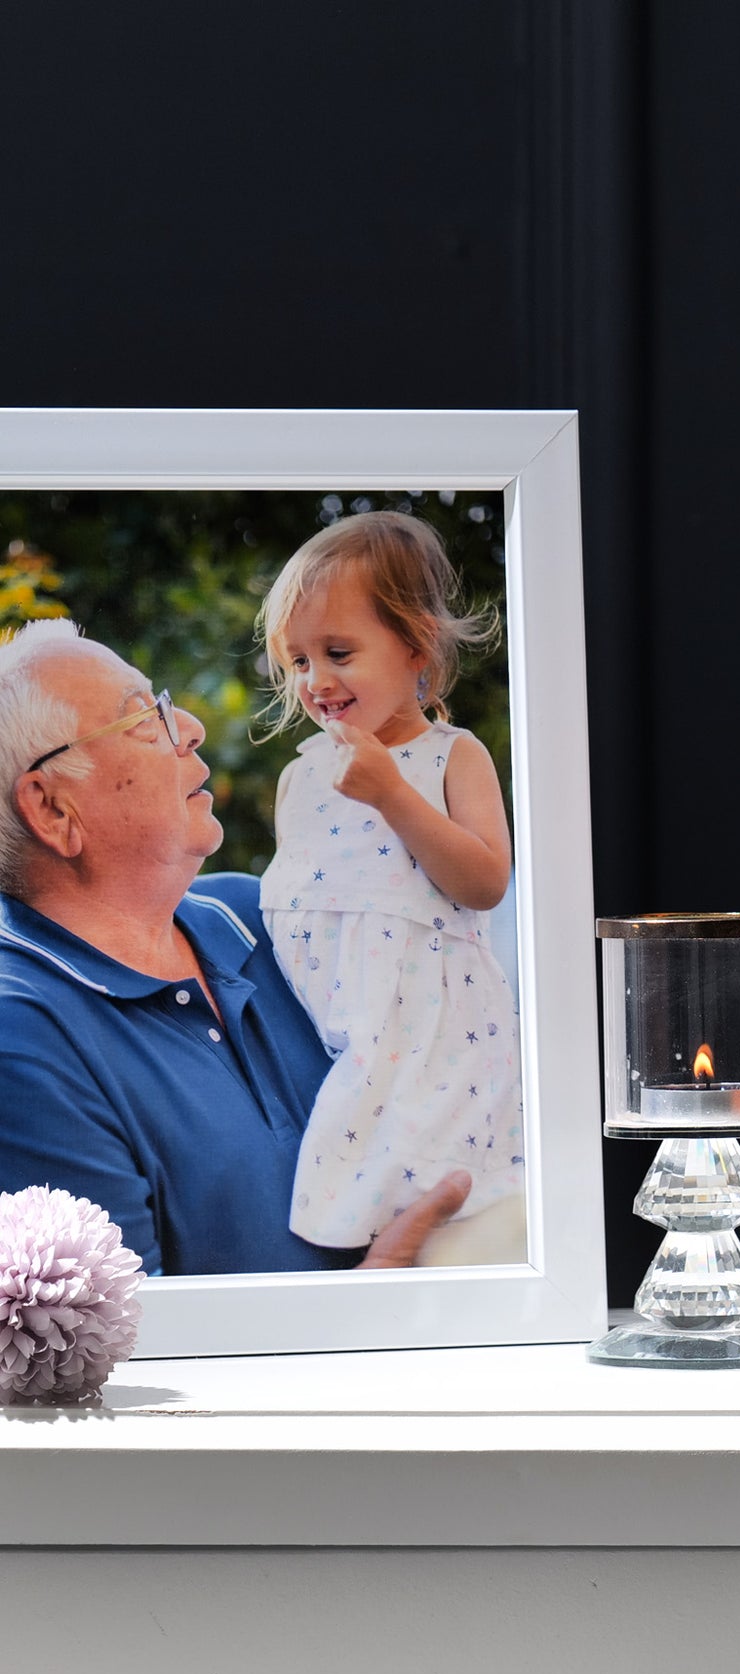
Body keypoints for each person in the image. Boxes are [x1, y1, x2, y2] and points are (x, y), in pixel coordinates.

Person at [0, 620, 468, 1274]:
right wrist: (383, 1287)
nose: (190, 727)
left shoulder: (262, 914)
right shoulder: (22, 1039)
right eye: (143, 720)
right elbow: (130, 1333)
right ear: (53, 810)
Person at [255, 511, 525, 1260]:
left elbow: (484, 881)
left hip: (434, 1036)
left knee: (446, 1204)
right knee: (348, 1208)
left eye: (338, 652)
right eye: (299, 660)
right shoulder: (302, 777)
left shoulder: (451, 756)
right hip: (337, 1038)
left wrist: (393, 796)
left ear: (416, 646)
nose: (316, 681)